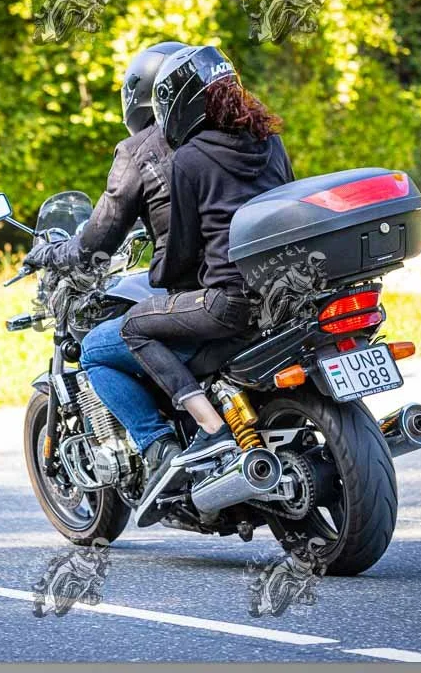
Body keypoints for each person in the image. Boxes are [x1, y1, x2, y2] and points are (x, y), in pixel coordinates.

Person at [121, 45, 294, 526]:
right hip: (282, 296)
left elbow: (181, 250)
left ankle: (211, 429)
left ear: (179, 105)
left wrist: (158, 278)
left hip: (230, 302)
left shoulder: (190, 158)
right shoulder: (269, 142)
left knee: (134, 326)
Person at [23, 41, 200, 488]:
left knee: (97, 349)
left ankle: (159, 446)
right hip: (257, 284)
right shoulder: (237, 139)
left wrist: (50, 253)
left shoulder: (140, 150)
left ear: (137, 98)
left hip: (205, 294)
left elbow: (96, 240)